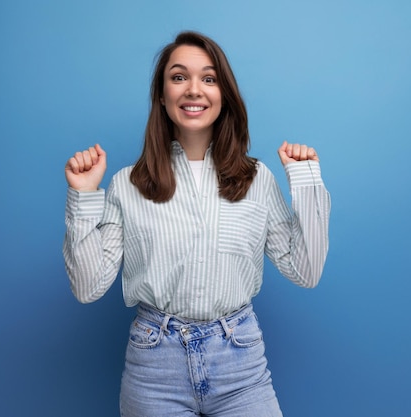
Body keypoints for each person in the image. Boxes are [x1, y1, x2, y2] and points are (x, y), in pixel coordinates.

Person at [63, 31, 330, 417]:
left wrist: (306, 183)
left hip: (241, 365)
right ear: (161, 94)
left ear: (224, 94)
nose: (193, 90)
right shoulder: (127, 184)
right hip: (155, 368)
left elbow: (306, 272)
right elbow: (88, 288)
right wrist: (86, 196)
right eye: (178, 77)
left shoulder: (257, 179)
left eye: (208, 78)